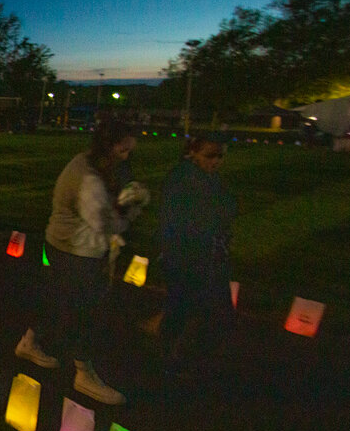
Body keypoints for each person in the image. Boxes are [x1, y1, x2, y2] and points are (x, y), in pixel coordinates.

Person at [14, 121, 144, 405]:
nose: (126, 157)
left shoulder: (86, 163)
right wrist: (133, 207)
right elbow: (107, 224)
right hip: (77, 252)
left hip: (64, 245)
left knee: (57, 298)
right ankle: (84, 374)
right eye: (123, 150)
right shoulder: (88, 180)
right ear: (108, 146)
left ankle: (29, 342)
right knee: (85, 311)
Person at [158, 134, 237, 377]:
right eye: (210, 156)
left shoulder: (207, 179)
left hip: (207, 254)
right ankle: (173, 356)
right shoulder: (184, 180)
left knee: (204, 307)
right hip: (188, 256)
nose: (215, 162)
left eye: (219, 156)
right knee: (184, 307)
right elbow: (179, 220)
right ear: (193, 153)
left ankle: (185, 354)